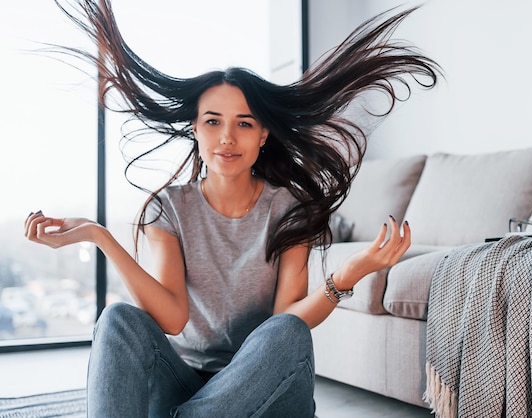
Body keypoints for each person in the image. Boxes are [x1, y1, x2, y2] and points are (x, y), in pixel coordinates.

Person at [24, 1, 440, 417]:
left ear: (262, 135)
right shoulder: (168, 208)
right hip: (187, 385)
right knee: (117, 320)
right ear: (195, 130)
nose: (227, 138)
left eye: (243, 123)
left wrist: (350, 274)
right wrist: (101, 237)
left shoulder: (289, 208)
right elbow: (171, 319)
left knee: (288, 330)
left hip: (268, 392)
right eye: (212, 122)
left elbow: (285, 323)